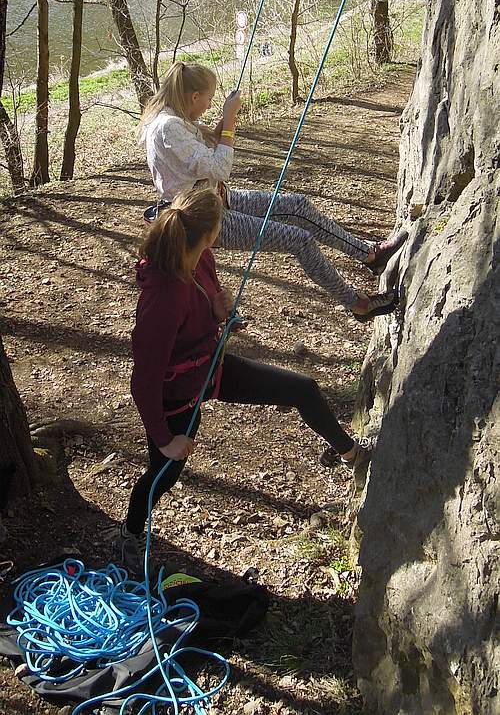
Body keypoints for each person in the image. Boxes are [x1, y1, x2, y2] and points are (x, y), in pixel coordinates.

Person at [118, 188, 372, 575]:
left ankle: (352, 454)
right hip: (177, 398)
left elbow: (207, 304)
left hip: (212, 368)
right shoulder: (164, 296)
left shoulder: (201, 257)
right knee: (163, 474)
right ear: (209, 231)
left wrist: (221, 312)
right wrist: (166, 439)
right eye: (220, 224)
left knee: (302, 389)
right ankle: (129, 536)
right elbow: (145, 379)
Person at [138, 61, 407, 322]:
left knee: (297, 206)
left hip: (219, 200)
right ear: (194, 96)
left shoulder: (176, 120)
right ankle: (357, 304)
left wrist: (222, 126)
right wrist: (229, 121)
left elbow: (201, 155)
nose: (209, 105)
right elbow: (219, 167)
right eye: (208, 99)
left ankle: (370, 255)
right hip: (202, 219)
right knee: (299, 239)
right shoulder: (168, 127)